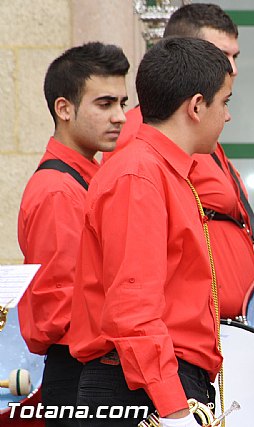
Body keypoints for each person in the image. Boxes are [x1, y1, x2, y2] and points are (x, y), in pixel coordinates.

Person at [68, 37, 233, 427]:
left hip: (155, 379)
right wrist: (174, 408)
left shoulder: (160, 171)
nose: (227, 116)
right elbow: (134, 309)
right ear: (196, 106)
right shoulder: (140, 175)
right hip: (140, 386)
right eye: (225, 102)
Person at [105, 3, 254, 320]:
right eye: (220, 55)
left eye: (235, 57)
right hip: (175, 334)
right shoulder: (141, 151)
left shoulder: (196, 135)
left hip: (212, 329)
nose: (232, 69)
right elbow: (134, 290)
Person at [17, 42, 129, 427]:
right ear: (64, 109)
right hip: (80, 371)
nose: (120, 117)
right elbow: (59, 309)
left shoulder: (86, 179)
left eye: (122, 103)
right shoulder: (58, 191)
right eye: (105, 104)